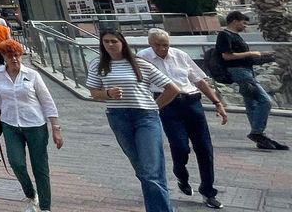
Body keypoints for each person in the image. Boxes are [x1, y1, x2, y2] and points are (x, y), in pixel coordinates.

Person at [86, 29, 180, 212]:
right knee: (142, 170)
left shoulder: (139, 63)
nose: (110, 45)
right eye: (106, 42)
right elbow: (94, 93)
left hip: (145, 117)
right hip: (119, 117)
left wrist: (154, 107)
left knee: (151, 171)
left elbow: (172, 89)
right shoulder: (98, 64)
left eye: (114, 41)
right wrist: (108, 94)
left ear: (122, 42)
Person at [138, 29, 226, 208]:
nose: (163, 49)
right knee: (180, 146)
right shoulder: (143, 58)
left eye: (166, 45)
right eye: (158, 45)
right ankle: (181, 174)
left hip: (191, 102)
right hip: (166, 104)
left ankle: (208, 191)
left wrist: (217, 103)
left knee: (204, 147)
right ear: (150, 44)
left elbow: (199, 80)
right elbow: (141, 84)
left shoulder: (180, 55)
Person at [0, 39, 61, 212]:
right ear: (3, 57)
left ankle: (45, 207)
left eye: (16, 55)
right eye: (9, 55)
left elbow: (47, 101)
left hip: (35, 125)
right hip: (10, 124)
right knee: (16, 163)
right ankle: (30, 194)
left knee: (40, 167)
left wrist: (55, 128)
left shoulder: (32, 74)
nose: (14, 58)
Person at [216, 11, 285, 150]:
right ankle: (257, 133)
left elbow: (239, 55)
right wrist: (251, 53)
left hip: (246, 71)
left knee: (252, 104)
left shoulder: (235, 36)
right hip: (240, 72)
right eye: (243, 22)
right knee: (265, 101)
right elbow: (227, 56)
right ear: (235, 21)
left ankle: (260, 138)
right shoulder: (224, 35)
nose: (245, 25)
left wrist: (261, 55)